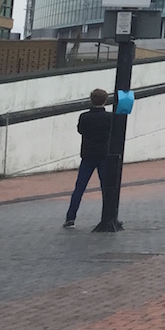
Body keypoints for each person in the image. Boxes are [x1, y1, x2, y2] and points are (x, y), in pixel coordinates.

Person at [63, 89, 113, 227]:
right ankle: (108, 217)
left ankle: (70, 217)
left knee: (79, 188)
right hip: (104, 156)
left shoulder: (84, 116)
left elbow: (80, 130)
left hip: (88, 155)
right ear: (105, 100)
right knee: (107, 188)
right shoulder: (110, 117)